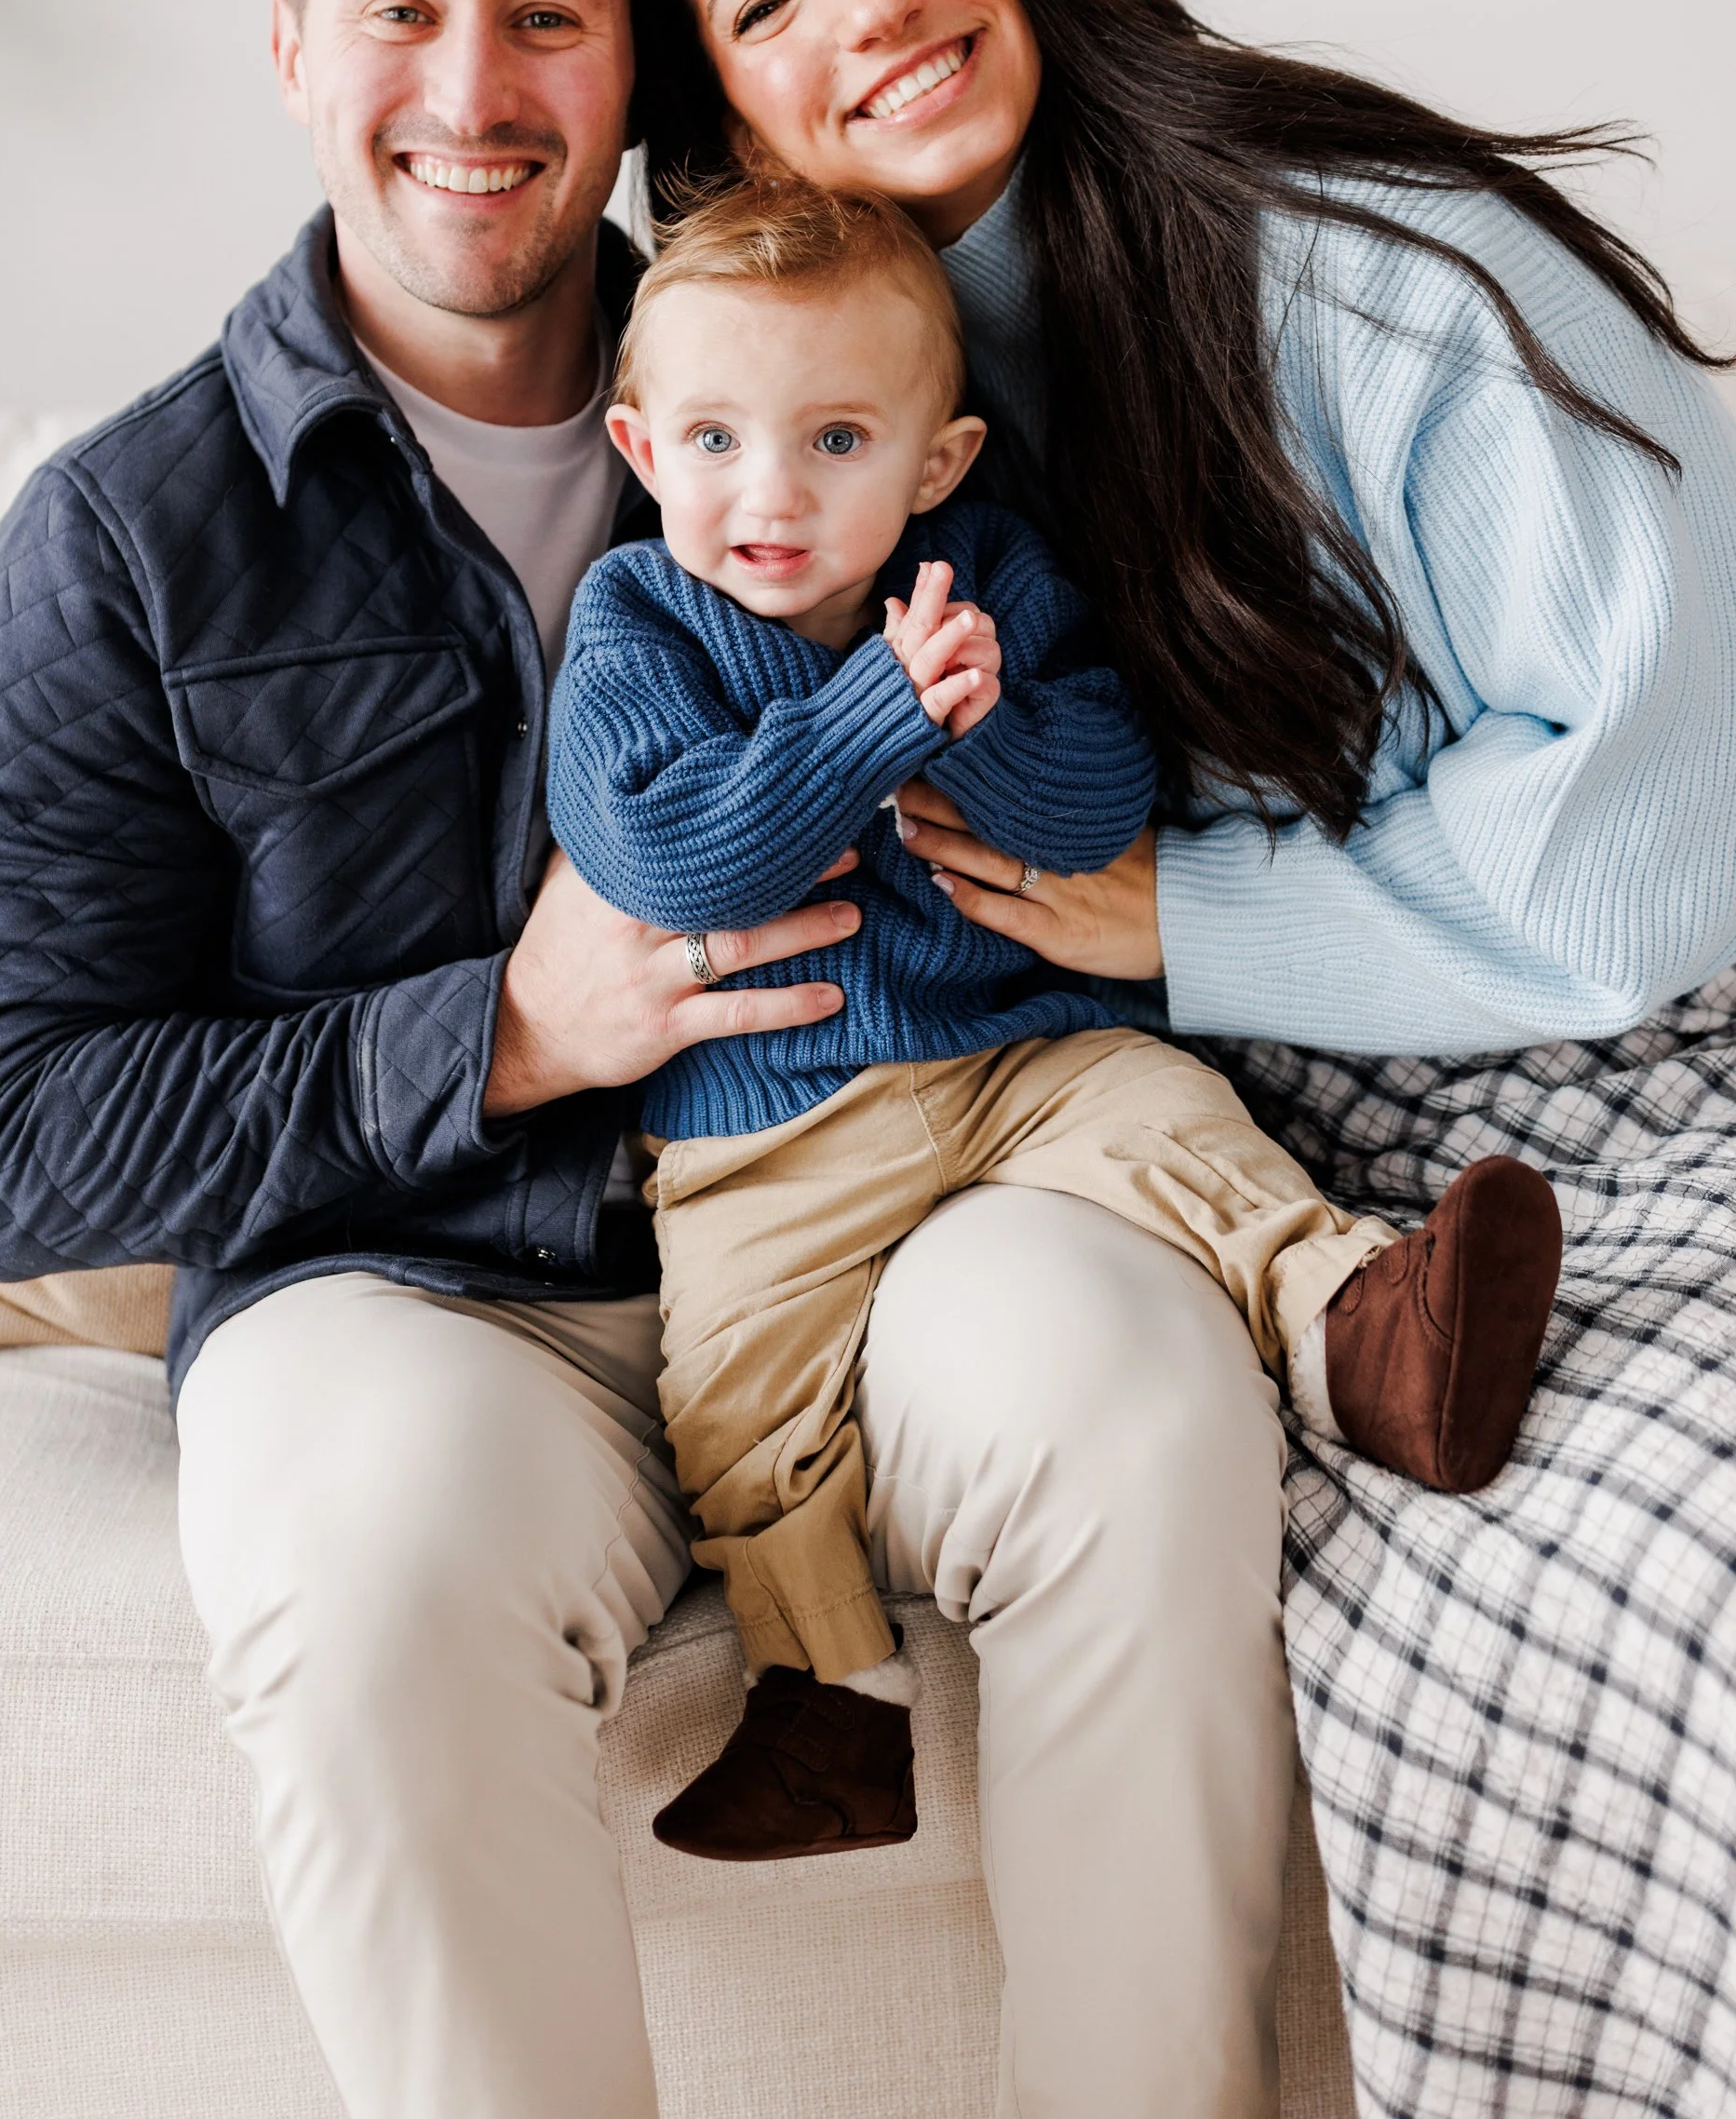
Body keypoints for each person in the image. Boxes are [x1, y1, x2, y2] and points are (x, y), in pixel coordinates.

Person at [0, 0, 1308, 2119]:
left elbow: (1146, 733)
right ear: (287, 41)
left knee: (1137, 1384)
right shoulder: (125, 541)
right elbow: (11, 1138)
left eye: (549, 10)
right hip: (430, 1297)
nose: (477, 78)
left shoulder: (875, 377)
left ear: (635, 52)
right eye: (403, 7)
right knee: (366, 1536)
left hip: (884, 1200)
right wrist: (503, 1033)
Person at [639, 0, 1736, 2113]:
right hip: (1255, 1160)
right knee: (1529, 1594)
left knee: (1693, 1582)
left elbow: (1663, 824)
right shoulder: (843, 420)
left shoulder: (1368, 270)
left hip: (1626, 1081)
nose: (871, 5)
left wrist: (1193, 919)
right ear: (729, 130)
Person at [549, 174, 1561, 1863]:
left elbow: (1100, 798)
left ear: (936, 459)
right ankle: (828, 1705)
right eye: (716, 442)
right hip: (770, 1127)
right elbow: (668, 848)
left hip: (1021, 1053)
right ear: (643, 450)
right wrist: (882, 712)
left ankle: (1366, 1330)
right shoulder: (638, 619)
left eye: (836, 441)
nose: (770, 495)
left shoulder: (989, 570)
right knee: (732, 1392)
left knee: (1180, 1128)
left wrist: (973, 722)